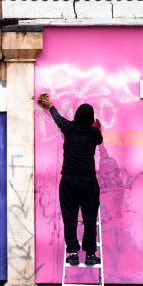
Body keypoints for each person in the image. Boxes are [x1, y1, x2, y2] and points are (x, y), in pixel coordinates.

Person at [37, 93, 103, 266]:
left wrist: (50, 105)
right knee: (89, 218)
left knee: (69, 217)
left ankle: (73, 252)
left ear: (77, 116)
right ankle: (90, 254)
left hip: (68, 180)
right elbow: (99, 137)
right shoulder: (94, 133)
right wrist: (96, 124)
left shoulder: (70, 128)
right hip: (88, 181)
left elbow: (58, 119)